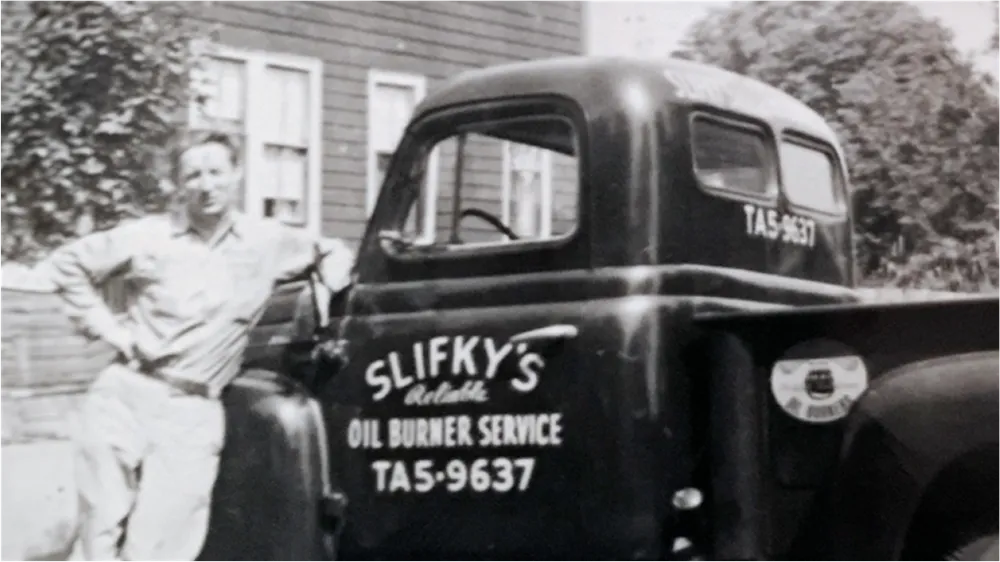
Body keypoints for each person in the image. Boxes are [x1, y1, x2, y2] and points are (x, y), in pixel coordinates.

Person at [47, 130, 354, 562]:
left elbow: (332, 252)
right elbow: (67, 265)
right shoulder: (147, 237)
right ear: (178, 183)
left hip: (192, 411)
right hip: (124, 396)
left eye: (215, 172)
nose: (206, 185)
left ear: (237, 174)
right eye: (192, 175)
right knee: (97, 537)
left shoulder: (266, 241)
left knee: (161, 549)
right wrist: (112, 331)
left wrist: (328, 287)